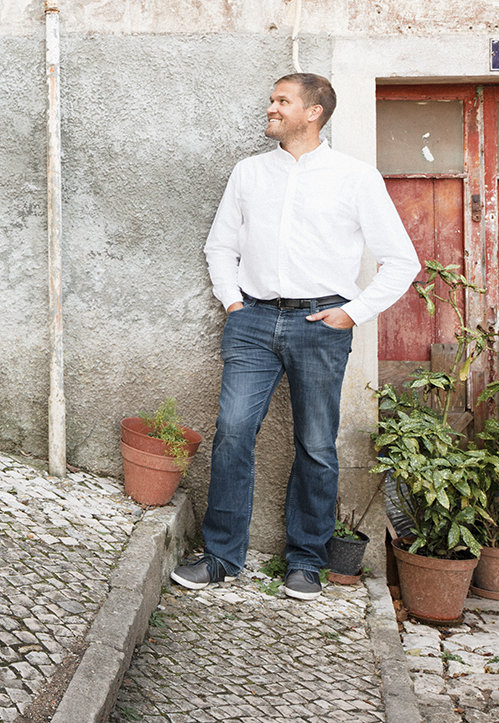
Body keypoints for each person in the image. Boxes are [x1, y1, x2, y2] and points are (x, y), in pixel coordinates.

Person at [171, 72, 419, 601]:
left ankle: (306, 562)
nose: (271, 109)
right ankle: (221, 557)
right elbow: (221, 246)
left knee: (315, 444)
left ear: (315, 111)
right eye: (271, 100)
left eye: (282, 101)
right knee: (233, 432)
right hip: (254, 321)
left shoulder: (355, 177)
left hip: (321, 324)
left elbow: (402, 261)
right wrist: (234, 303)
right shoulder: (249, 173)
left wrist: (352, 313)